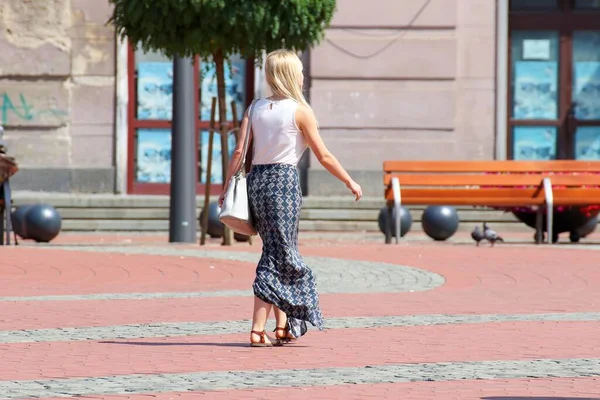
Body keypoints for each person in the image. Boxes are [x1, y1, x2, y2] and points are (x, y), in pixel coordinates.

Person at [219, 49, 362, 347]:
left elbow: (238, 152)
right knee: (277, 254)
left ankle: (283, 326)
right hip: (283, 183)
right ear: (290, 74)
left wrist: (226, 188)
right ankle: (258, 330)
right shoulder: (300, 110)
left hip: (257, 182)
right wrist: (349, 180)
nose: (302, 75)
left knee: (279, 250)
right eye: (299, 70)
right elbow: (323, 155)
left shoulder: (254, 107)